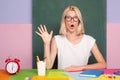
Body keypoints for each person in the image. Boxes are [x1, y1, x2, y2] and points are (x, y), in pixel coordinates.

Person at [35, 5, 106, 72]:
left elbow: (103, 64)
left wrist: (80, 67)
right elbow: (48, 66)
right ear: (64, 21)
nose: (72, 21)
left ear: (79, 21)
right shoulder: (57, 40)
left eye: (75, 17)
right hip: (62, 78)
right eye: (68, 17)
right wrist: (46, 44)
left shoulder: (89, 40)